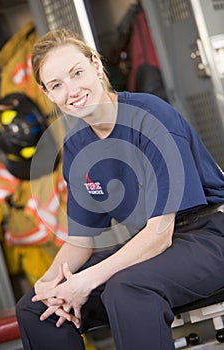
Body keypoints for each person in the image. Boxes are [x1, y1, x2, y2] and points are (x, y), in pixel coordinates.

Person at [15, 28, 224, 350]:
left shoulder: (151, 116)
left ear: (96, 65)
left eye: (77, 73)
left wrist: (85, 281)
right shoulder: (76, 146)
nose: (71, 90)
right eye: (57, 85)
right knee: (35, 308)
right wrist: (50, 283)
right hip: (146, 245)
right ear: (48, 94)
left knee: (127, 288)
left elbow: (160, 234)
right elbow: (81, 241)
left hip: (207, 235)